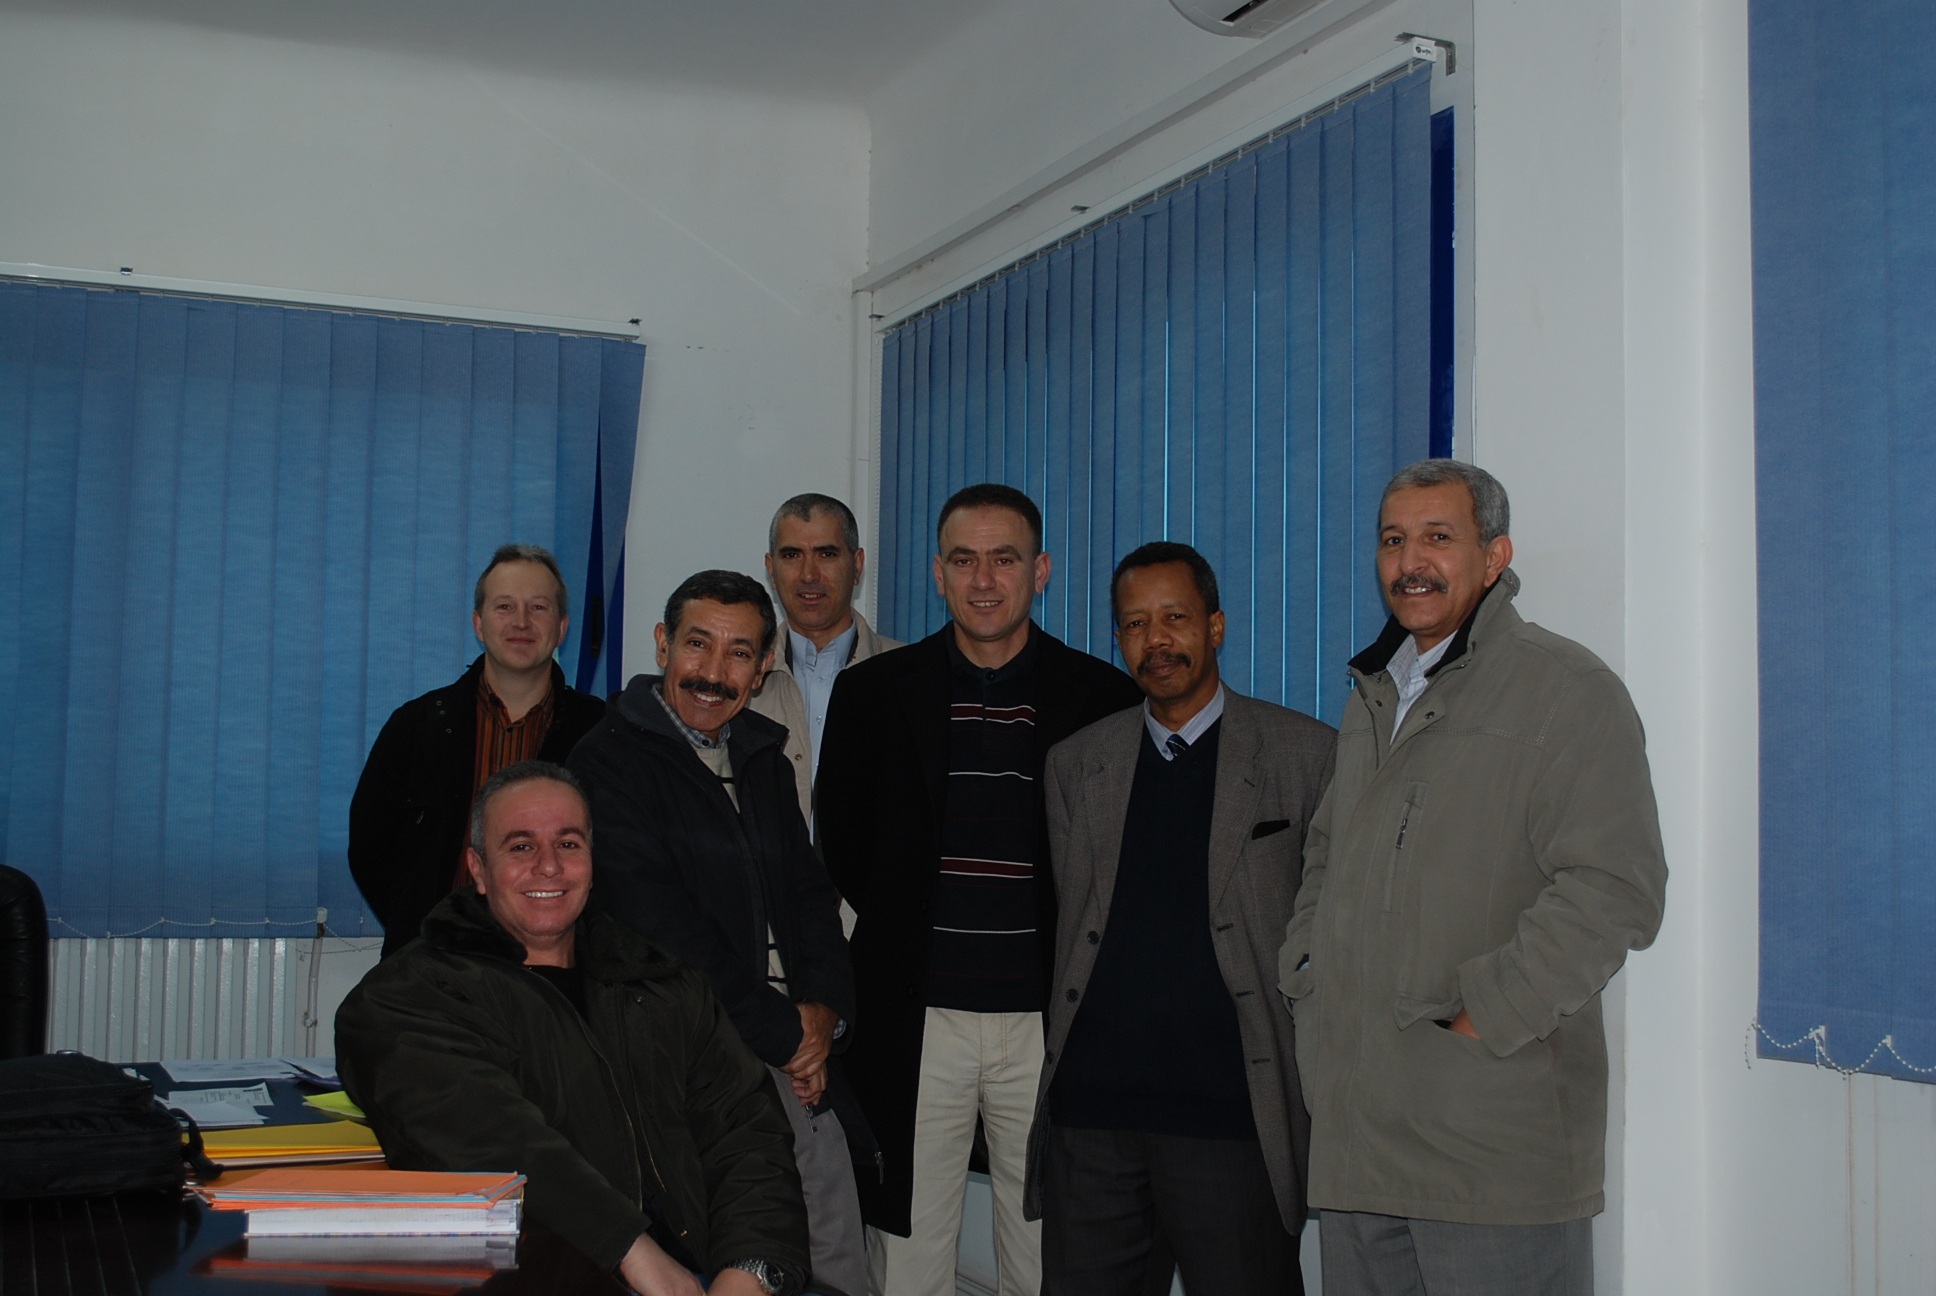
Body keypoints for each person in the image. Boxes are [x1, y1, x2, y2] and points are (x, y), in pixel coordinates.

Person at [1277, 460, 1668, 1296]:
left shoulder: (1567, 689)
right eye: (1393, 540)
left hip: (1488, 1147)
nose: (1410, 561)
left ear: (1494, 556)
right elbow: (1327, 852)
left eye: (1438, 537)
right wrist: (1308, 969)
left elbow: (1616, 887)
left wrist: (1483, 1017)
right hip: (1357, 1142)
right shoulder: (1375, 694)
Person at [816, 484, 1143, 1296]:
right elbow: (843, 845)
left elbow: (1117, 865)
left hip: (1048, 1025)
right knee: (910, 1259)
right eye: (965, 561)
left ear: (1042, 571)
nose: (985, 580)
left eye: (1005, 559)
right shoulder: (873, 694)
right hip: (917, 1022)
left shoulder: (1103, 699)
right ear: (938, 573)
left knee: (1044, 1257)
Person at [336, 761, 807, 1296]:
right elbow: (491, 1140)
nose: (549, 866)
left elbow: (746, 1134)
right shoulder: (404, 997)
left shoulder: (664, 984)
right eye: (520, 846)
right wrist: (630, 1250)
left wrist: (750, 1271)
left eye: (568, 843)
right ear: (478, 869)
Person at [1027, 542, 1335, 1294]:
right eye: (1135, 624)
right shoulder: (1077, 765)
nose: (1156, 640)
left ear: (1216, 626)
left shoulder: (1306, 755)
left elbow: (1329, 932)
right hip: (1092, 1123)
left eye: (1175, 618)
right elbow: (1074, 921)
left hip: (1233, 1121)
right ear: (1119, 639)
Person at [568, 570, 870, 1296]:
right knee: (754, 1249)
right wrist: (787, 1036)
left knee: (833, 1247)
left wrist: (824, 1015)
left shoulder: (762, 757)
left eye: (738, 653)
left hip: (788, 1048)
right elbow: (665, 929)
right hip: (688, 1053)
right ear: (663, 645)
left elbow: (809, 897)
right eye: (697, 645)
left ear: (762, 668)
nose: (713, 672)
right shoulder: (605, 761)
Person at [348, 545, 607, 957]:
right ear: (479, 624)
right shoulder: (416, 727)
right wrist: (420, 929)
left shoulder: (601, 733)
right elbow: (370, 848)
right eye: (504, 607)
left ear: (561, 628)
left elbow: (616, 858)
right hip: (435, 962)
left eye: (538, 608)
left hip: (558, 963)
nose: (521, 622)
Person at [750, 493, 904, 829]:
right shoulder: (740, 679)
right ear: (771, 570)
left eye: (827, 554)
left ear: (857, 565)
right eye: (792, 555)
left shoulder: (910, 675)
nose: (809, 575)